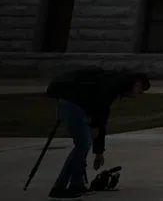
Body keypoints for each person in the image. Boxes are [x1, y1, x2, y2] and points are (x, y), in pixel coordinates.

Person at [44, 68, 149, 200]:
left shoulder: (115, 82)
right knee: (83, 144)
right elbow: (101, 107)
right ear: (137, 84)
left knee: (83, 144)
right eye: (139, 92)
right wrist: (95, 126)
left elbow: (102, 116)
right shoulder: (115, 83)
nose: (137, 95)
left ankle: (76, 185)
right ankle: (59, 187)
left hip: (75, 105)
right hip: (72, 105)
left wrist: (98, 152)